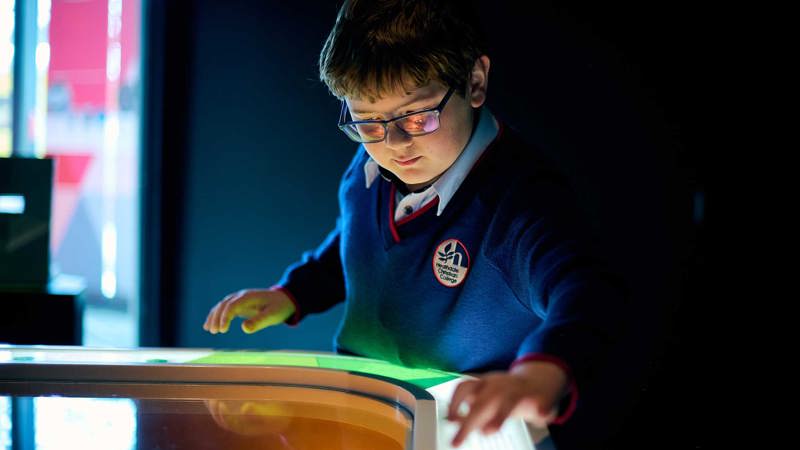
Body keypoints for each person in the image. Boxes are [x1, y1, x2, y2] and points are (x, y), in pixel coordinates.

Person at [203, 0, 628, 447]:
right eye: (367, 122)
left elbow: (588, 292)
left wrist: (539, 375)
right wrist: (293, 294)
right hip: (364, 410)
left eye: (418, 116)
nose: (395, 144)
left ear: (475, 82)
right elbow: (356, 243)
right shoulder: (372, 164)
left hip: (467, 426)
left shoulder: (519, 201)